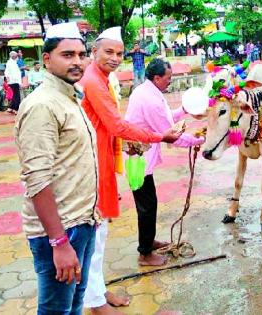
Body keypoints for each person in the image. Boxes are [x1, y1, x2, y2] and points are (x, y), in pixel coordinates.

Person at [79, 27, 182, 315]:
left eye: (119, 53)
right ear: (94, 52)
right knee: (94, 235)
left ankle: (97, 292)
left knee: (99, 231)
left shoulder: (102, 79)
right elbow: (117, 126)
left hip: (101, 161)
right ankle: (95, 301)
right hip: (92, 163)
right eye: (108, 52)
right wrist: (160, 137)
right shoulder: (94, 82)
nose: (114, 57)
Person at [14, 22, 98, 315]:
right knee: (56, 310)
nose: (77, 61)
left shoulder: (70, 98)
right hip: (61, 230)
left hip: (83, 221)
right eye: (67, 55)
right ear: (46, 59)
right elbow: (37, 180)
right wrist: (59, 242)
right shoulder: (42, 105)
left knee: (74, 303)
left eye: (81, 54)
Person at [125, 58, 205, 267]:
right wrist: (200, 140)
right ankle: (145, 254)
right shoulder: (150, 99)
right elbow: (172, 136)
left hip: (141, 157)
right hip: (138, 161)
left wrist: (185, 108)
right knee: (147, 207)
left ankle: (149, 242)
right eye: (168, 78)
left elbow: (167, 117)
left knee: (148, 204)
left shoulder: (147, 91)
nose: (171, 81)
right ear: (157, 77)